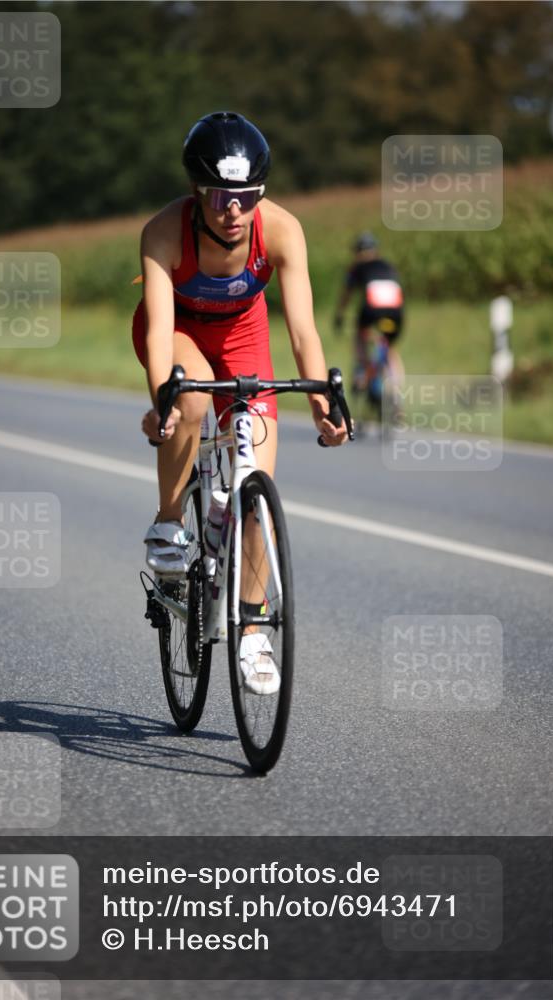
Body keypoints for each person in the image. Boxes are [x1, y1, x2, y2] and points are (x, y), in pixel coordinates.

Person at [133, 111, 347, 693]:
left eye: (248, 196)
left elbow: (302, 330)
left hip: (242, 333)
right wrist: (165, 399)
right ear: (198, 191)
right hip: (178, 330)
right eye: (222, 197)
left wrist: (322, 404)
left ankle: (253, 632)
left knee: (255, 487)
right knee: (195, 396)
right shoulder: (162, 232)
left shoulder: (279, 230)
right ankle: (171, 523)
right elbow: (156, 333)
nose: (235, 210)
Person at [333, 232, 405, 392]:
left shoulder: (357, 267)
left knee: (359, 336)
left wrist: (339, 316)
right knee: (390, 349)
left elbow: (347, 295)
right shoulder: (388, 265)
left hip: (372, 310)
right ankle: (397, 395)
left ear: (357, 252)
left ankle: (363, 373)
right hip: (396, 312)